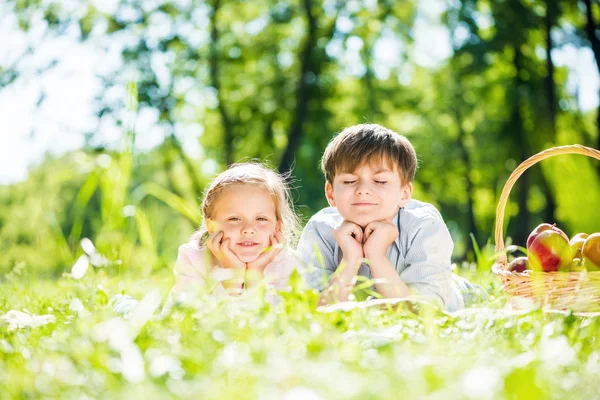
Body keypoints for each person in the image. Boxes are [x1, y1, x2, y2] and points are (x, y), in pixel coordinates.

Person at [297, 124, 473, 311]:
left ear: (404, 193)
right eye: (349, 181)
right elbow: (317, 311)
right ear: (330, 193)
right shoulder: (320, 229)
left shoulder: (424, 225)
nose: (363, 190)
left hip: (452, 298)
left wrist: (376, 255)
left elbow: (422, 314)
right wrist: (350, 260)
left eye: (380, 181)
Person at [167, 162, 302, 307]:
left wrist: (255, 278)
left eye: (261, 219)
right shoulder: (194, 260)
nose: (249, 229)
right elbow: (186, 320)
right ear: (211, 226)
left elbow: (280, 324)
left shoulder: (289, 264)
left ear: (277, 226)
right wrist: (231, 278)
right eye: (234, 219)